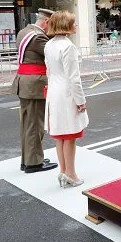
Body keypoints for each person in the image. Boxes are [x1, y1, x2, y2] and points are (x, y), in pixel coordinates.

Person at [44, 11, 89, 188]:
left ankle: (63, 171)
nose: (76, 25)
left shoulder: (49, 45)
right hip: (66, 93)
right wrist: (81, 101)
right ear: (66, 26)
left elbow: (49, 71)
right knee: (69, 136)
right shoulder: (68, 47)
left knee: (60, 136)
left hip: (54, 91)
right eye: (73, 22)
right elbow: (73, 78)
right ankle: (71, 173)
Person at [12, 8, 58, 174]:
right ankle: (34, 163)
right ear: (46, 22)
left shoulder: (24, 32)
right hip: (34, 85)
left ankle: (28, 160)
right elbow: (53, 54)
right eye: (52, 24)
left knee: (26, 124)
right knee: (34, 125)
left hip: (24, 83)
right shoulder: (38, 37)